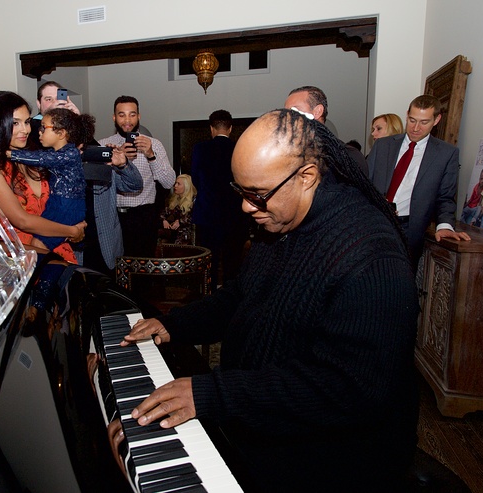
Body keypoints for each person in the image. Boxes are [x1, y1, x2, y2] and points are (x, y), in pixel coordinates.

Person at [120, 109, 420, 492]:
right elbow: (243, 295)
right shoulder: (279, 220)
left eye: (257, 195)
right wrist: (174, 324)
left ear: (307, 177)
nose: (246, 207)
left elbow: (343, 391)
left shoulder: (371, 259)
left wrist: (214, 394)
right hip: (258, 416)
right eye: (241, 192)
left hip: (329, 457)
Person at [368, 95, 471, 264]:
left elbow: (445, 197)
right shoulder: (383, 146)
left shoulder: (446, 154)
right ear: (407, 115)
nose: (416, 128)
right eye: (412, 120)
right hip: (374, 224)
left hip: (409, 230)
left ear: (436, 120)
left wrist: (445, 225)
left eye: (424, 122)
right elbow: (363, 184)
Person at [8, 106, 96, 262]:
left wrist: (10, 154)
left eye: (44, 128)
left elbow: (41, 159)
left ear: (61, 133)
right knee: (39, 247)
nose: (39, 132)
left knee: (38, 247)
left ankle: (43, 283)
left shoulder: (70, 153)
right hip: (58, 204)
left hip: (67, 206)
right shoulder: (58, 153)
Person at [99, 95, 175, 257]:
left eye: (132, 114)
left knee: (142, 268)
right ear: (114, 118)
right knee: (115, 267)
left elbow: (169, 183)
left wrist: (150, 155)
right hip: (113, 215)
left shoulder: (154, 144)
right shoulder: (104, 144)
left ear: (139, 116)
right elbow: (96, 183)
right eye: (122, 115)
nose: (127, 120)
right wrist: (117, 160)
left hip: (144, 216)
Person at [190, 109, 248, 289]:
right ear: (230, 129)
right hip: (235, 215)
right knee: (233, 264)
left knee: (208, 263)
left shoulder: (200, 149)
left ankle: (208, 298)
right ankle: (230, 303)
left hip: (208, 215)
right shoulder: (241, 148)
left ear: (211, 128)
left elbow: (195, 179)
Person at [284, 85, 368, 171]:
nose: (287, 116)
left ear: (318, 111)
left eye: (294, 111)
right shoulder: (284, 153)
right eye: (285, 112)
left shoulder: (348, 155)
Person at [27, 81, 81, 148]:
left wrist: (78, 121)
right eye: (49, 99)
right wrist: (52, 113)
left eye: (58, 99)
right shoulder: (32, 125)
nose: (55, 103)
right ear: (39, 104)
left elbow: (93, 149)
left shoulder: (69, 125)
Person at [158, 174, 196, 244]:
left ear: (186, 187)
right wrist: (164, 220)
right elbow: (164, 212)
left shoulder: (194, 200)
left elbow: (193, 218)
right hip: (176, 233)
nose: (175, 186)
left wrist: (180, 222)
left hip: (189, 234)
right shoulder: (176, 199)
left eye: (179, 184)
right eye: (175, 183)